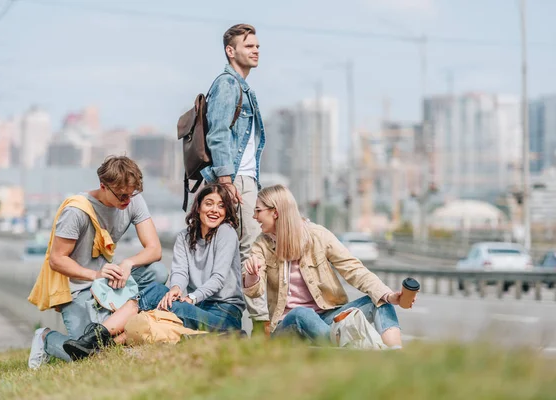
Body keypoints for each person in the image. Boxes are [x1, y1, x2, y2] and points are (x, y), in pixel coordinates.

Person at [62, 183, 246, 360]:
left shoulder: (226, 232)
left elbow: (218, 278)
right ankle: (99, 351)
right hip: (196, 308)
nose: (215, 210)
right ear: (198, 208)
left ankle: (93, 339)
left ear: (226, 212)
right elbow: (180, 272)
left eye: (221, 206)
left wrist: (191, 298)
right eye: (209, 203)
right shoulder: (185, 236)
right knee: (155, 311)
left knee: (156, 293)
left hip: (224, 314)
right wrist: (175, 288)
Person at [27, 156, 168, 368]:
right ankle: (45, 338)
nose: (127, 200)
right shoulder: (76, 211)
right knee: (88, 353)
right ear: (103, 186)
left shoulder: (132, 198)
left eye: (132, 194)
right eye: (122, 195)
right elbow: (56, 260)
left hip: (107, 282)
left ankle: (130, 323)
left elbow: (155, 249)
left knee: (157, 272)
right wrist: (95, 274)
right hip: (77, 287)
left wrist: (128, 263)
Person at [243, 185, 415, 347]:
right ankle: (348, 347)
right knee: (301, 313)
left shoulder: (318, 236)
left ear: (275, 212)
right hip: (286, 325)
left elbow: (354, 269)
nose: (254, 216)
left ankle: (394, 353)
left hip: (326, 318)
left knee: (379, 300)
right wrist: (253, 275)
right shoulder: (261, 245)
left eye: (258, 211)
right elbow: (254, 291)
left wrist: (388, 295)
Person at [202, 23, 269, 330]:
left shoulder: (243, 87)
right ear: (231, 51)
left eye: (257, 46)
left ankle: (227, 323)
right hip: (235, 181)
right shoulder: (228, 85)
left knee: (234, 251)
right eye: (249, 46)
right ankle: (261, 324)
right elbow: (217, 134)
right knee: (249, 249)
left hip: (244, 179)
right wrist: (227, 182)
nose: (256, 50)